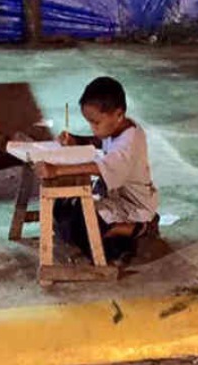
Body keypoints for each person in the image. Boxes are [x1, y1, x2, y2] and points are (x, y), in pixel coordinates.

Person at [33, 76, 159, 263]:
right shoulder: (118, 127)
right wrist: (77, 139)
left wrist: (56, 170)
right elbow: (101, 140)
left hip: (134, 206)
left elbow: (99, 167)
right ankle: (115, 230)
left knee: (94, 242)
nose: (93, 128)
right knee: (61, 209)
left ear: (118, 115)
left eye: (96, 123)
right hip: (114, 199)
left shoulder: (128, 143)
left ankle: (139, 227)